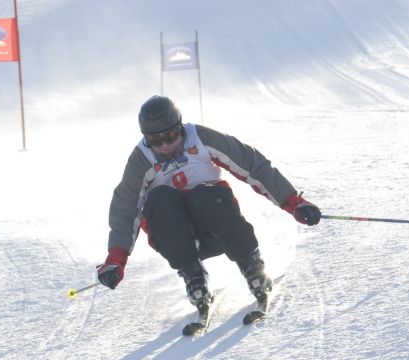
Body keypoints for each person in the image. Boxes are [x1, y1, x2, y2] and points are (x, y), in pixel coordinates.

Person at [96, 95, 321, 314]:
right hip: (177, 238)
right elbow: (125, 210)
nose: (165, 146)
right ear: (146, 138)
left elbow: (251, 165)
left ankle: (251, 264)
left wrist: (294, 203)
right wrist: (116, 260)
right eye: (156, 141)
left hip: (217, 226)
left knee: (206, 193)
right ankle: (193, 275)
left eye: (171, 136)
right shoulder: (141, 160)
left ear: (180, 127)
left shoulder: (201, 138)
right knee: (159, 199)